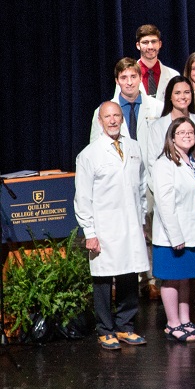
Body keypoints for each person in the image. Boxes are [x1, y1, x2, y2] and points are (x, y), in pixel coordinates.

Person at [76, 102, 152, 349]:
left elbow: (141, 186)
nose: (112, 120)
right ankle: (105, 329)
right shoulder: (89, 154)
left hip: (131, 224)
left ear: (122, 119)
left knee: (129, 273)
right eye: (107, 116)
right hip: (104, 227)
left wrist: (141, 220)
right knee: (103, 278)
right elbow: (83, 197)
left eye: (116, 116)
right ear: (100, 121)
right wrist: (90, 232)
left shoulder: (134, 147)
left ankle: (125, 326)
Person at [149, 117, 195, 342]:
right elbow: (164, 203)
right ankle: (173, 322)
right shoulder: (164, 164)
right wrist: (175, 235)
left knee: (186, 278)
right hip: (172, 234)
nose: (187, 136)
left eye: (191, 132)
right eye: (182, 132)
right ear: (172, 137)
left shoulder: (194, 161)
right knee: (171, 278)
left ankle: (185, 320)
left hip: (194, 231)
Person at [91, 58, 163, 144]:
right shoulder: (101, 111)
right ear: (117, 81)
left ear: (140, 78)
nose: (129, 82)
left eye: (133, 77)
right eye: (123, 78)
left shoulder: (158, 107)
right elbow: (95, 146)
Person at [129, 25, 180, 99]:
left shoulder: (174, 75)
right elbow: (118, 103)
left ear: (160, 44)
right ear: (138, 45)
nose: (150, 47)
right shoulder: (125, 76)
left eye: (154, 41)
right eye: (145, 42)